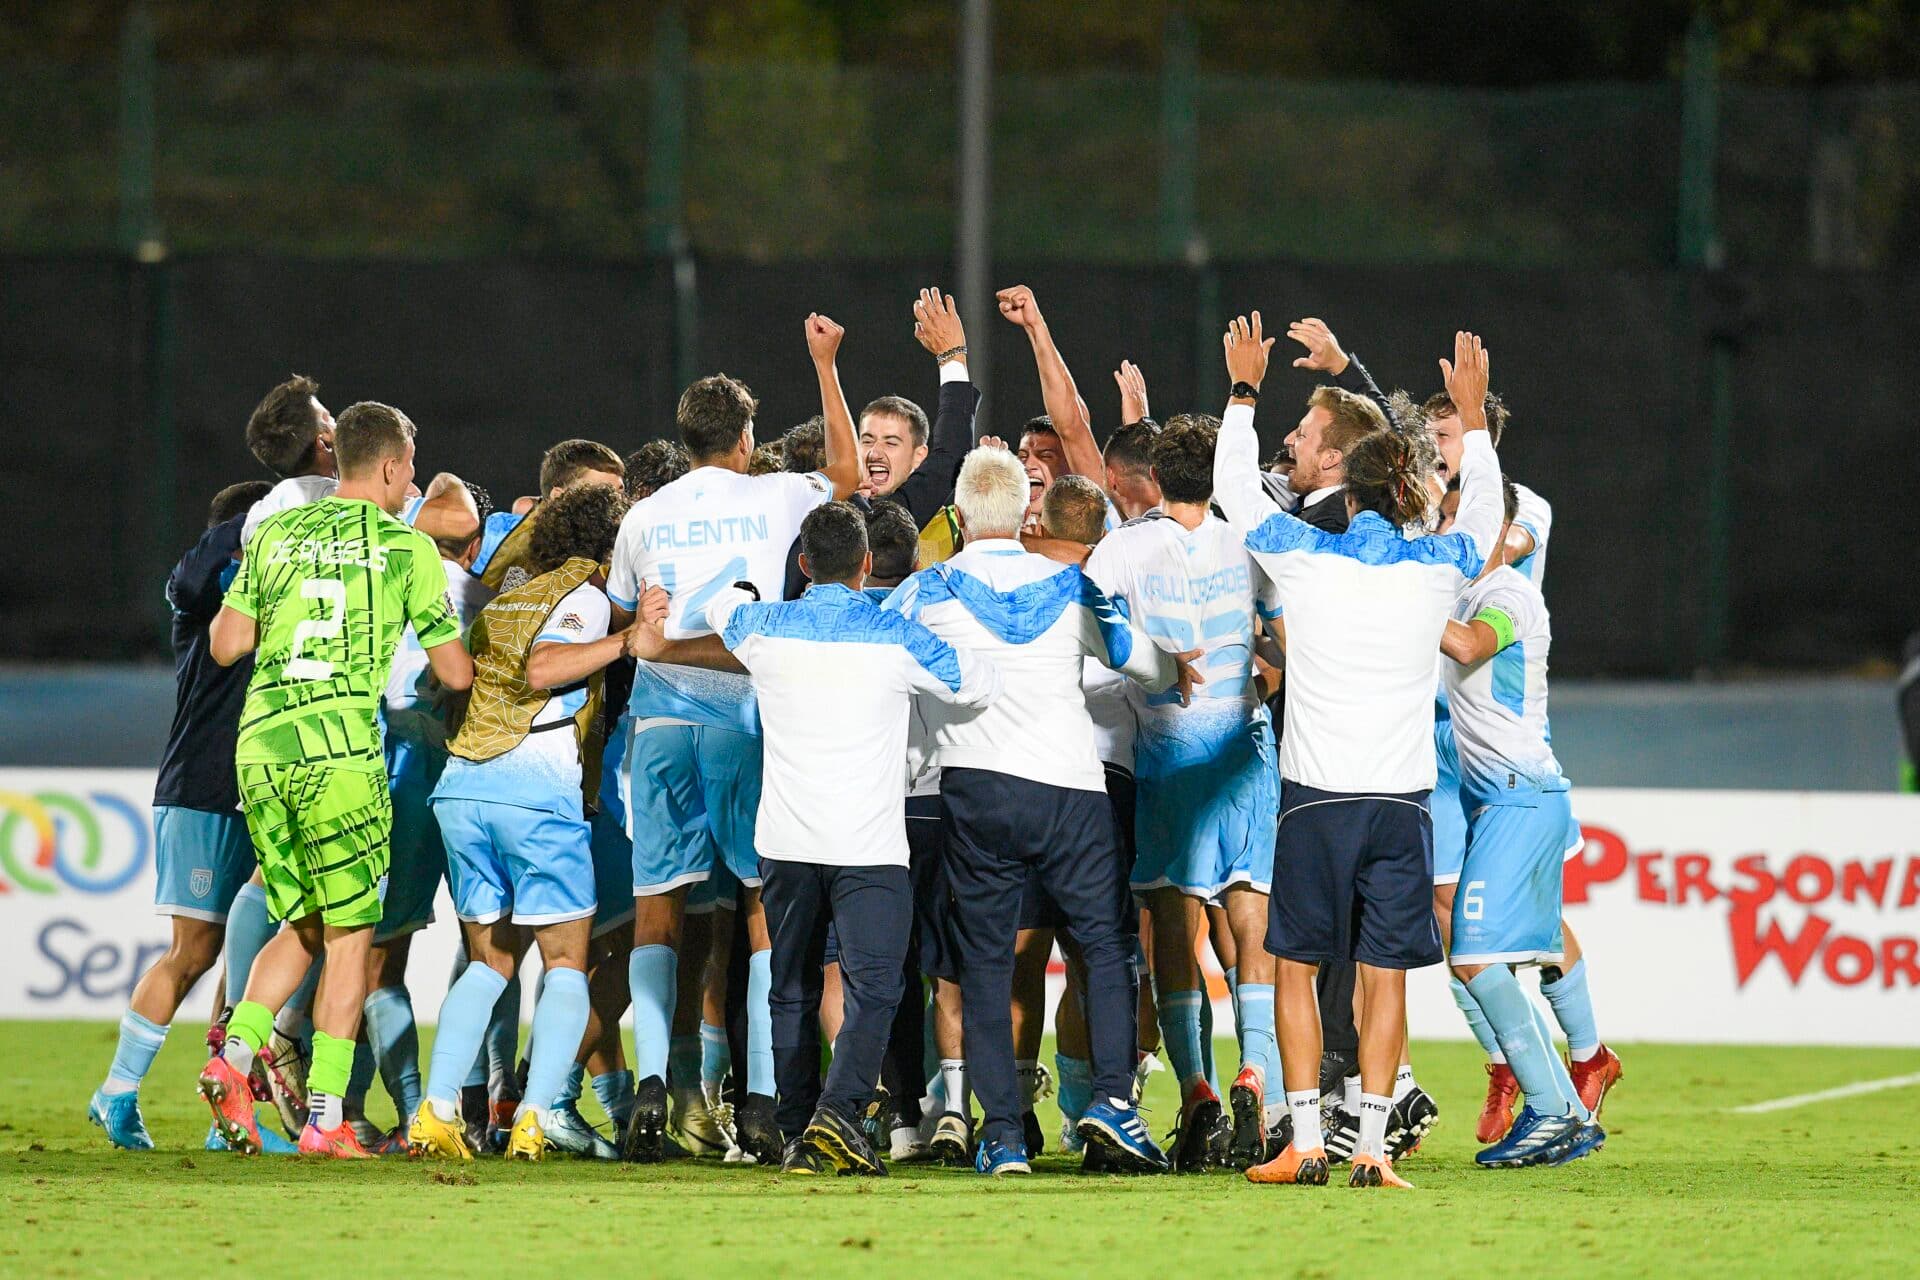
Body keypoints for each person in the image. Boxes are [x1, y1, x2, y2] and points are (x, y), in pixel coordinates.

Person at [1214, 317, 1502, 1190]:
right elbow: (1484, 514)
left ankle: (1304, 1139)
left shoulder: (1308, 558)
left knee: (1296, 968)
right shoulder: (1437, 566)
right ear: (1412, 489)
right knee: (1386, 980)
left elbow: (1235, 484)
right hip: (1403, 804)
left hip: (1317, 799)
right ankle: (1372, 1146)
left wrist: (1242, 391)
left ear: (1349, 487)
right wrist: (1475, 419)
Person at [631, 501, 1002, 1174]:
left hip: (786, 844)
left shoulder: (764, 628)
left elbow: (721, 607)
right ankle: (839, 1112)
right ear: (866, 565)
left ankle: (802, 1128)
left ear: (803, 565)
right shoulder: (894, 636)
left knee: (791, 987)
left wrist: (744, 590)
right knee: (878, 987)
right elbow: (975, 684)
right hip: (866, 846)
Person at [884, 447, 1198, 1176]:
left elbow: (873, 659)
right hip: (1071, 792)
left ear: (959, 519)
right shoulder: (1068, 584)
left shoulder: (925, 592)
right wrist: (1177, 669)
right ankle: (1115, 1103)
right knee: (1109, 949)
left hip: (977, 793)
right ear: (1024, 516)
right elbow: (1136, 658)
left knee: (988, 964)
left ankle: (1001, 1135)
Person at [604, 313, 862, 1164]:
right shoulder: (775, 494)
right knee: (759, 905)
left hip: (660, 718)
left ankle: (650, 1091)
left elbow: (624, 613)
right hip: (743, 714)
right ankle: (756, 1103)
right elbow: (852, 474)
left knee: (659, 910)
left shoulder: (644, 516)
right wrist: (825, 366)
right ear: (748, 439)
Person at [198, 401, 473, 1158]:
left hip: (261, 749)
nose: (410, 481)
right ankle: (324, 1119)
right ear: (389, 466)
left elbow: (226, 645)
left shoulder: (276, 531)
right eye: (410, 469)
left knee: (302, 924)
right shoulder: (404, 546)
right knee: (351, 939)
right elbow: (451, 671)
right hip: (339, 756)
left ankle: (234, 1053)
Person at [408, 483, 637, 1161]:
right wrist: (626, 640)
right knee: (568, 960)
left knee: (491, 961)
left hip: (462, 790)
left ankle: (437, 1109)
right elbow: (544, 668)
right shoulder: (586, 597)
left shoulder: (506, 599)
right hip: (533, 788)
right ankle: (537, 1114)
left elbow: (445, 683)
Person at [1085, 415, 1286, 1173]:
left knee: (1175, 927)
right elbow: (1278, 638)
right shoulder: (1249, 543)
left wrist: (1154, 662)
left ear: (1159, 479)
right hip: (1244, 745)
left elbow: (1093, 629)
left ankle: (1197, 1087)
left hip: (1168, 755)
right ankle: (1256, 1074)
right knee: (1250, 910)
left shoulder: (1122, 549)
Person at [89, 479, 281, 1153]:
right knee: (193, 951)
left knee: (246, 955)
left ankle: (229, 1117)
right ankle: (115, 1090)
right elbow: (202, 577)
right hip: (202, 784)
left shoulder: (274, 588)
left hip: (262, 783)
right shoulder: (207, 590)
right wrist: (248, 528)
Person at [1432, 482, 1606, 1168]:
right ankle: (1562, 1103)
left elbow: (1471, 648)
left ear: (1492, 524)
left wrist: (1403, 596)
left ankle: (1555, 1105)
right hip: (1504, 799)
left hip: (1520, 798)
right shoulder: (1461, 592)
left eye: (1457, 518)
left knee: (1473, 955)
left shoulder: (1507, 596)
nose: (1446, 530)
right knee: (1488, 954)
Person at [354, 509, 494, 1151]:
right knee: (491, 952)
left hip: (399, 768)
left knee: (379, 949)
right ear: (474, 545)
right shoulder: (483, 592)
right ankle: (483, 1105)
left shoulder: (380, 575)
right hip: (475, 774)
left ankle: (394, 1108)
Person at [471, 439, 626, 591]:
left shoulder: (622, 546)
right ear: (558, 495)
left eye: (620, 491)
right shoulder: (495, 536)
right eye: (601, 493)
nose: (616, 502)